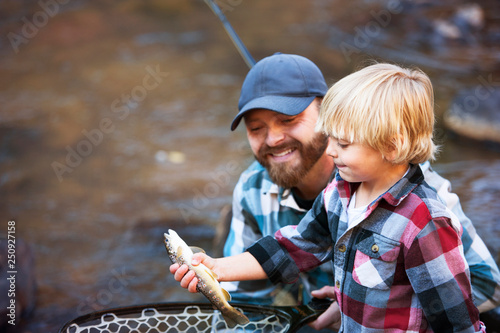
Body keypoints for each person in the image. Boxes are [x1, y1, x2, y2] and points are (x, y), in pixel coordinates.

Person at [172, 63, 486, 332]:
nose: (331, 149)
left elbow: (456, 321)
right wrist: (216, 267)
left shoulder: (424, 221)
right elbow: (292, 246)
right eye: (331, 138)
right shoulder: (339, 192)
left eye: (344, 143)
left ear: (392, 146)